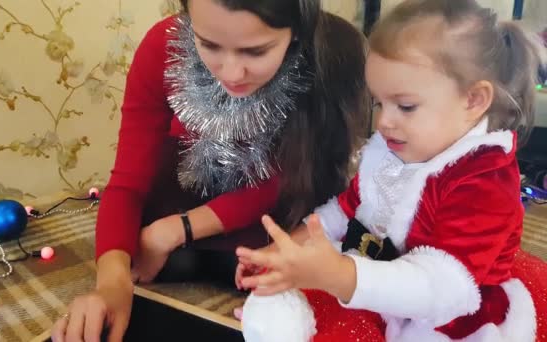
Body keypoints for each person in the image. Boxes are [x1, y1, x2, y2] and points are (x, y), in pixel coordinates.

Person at [51, 0, 370, 341]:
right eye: (209, 44)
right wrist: (112, 283)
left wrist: (175, 230)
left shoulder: (319, 62)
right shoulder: (165, 47)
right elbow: (127, 182)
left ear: (296, 35)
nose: (231, 73)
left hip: (262, 227)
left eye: (256, 51)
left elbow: (280, 179)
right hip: (176, 218)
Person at [236, 0, 547, 340]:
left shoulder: (484, 179)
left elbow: (443, 288)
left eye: (406, 106)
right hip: (375, 275)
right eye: (379, 103)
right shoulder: (396, 146)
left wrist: (340, 275)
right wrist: (286, 251)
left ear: (473, 100)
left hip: (445, 314)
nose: (383, 122)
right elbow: (350, 207)